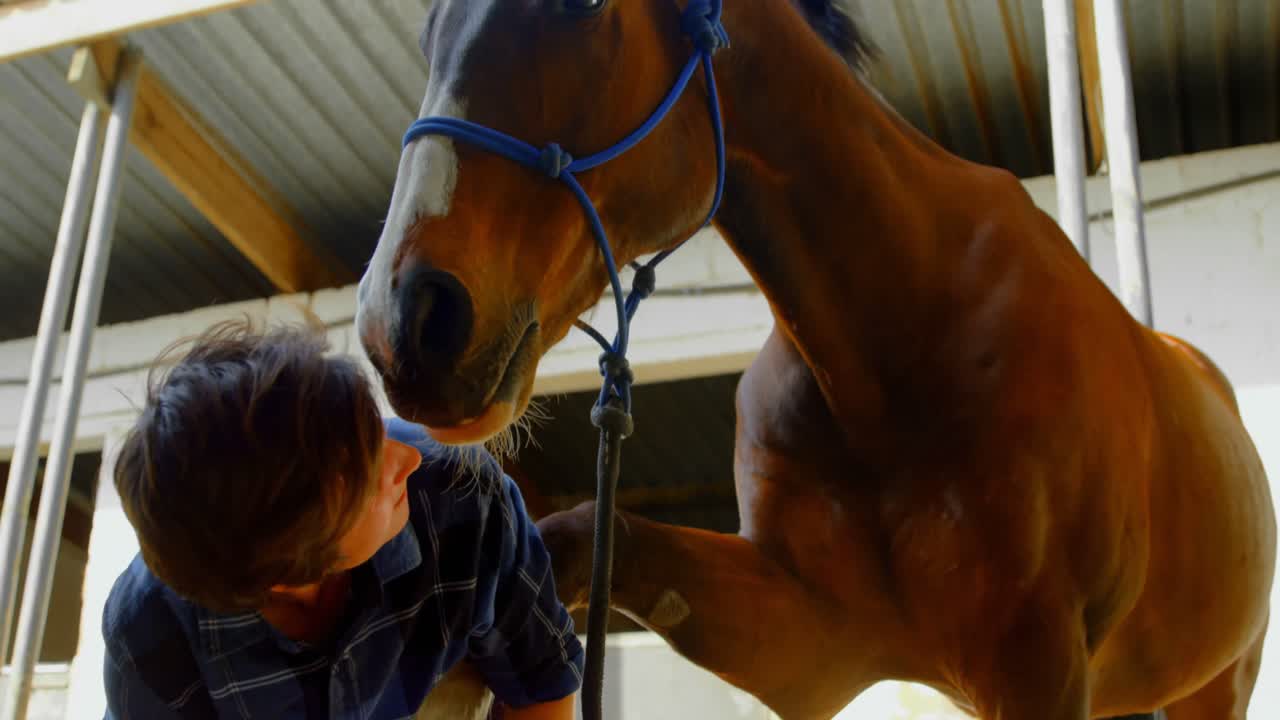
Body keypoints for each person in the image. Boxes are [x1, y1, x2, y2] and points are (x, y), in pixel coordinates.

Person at [101, 318, 583, 719]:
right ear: (287, 561)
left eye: (374, 431)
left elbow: (541, 683)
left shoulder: (460, 493)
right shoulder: (151, 629)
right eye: (366, 472)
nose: (407, 459)